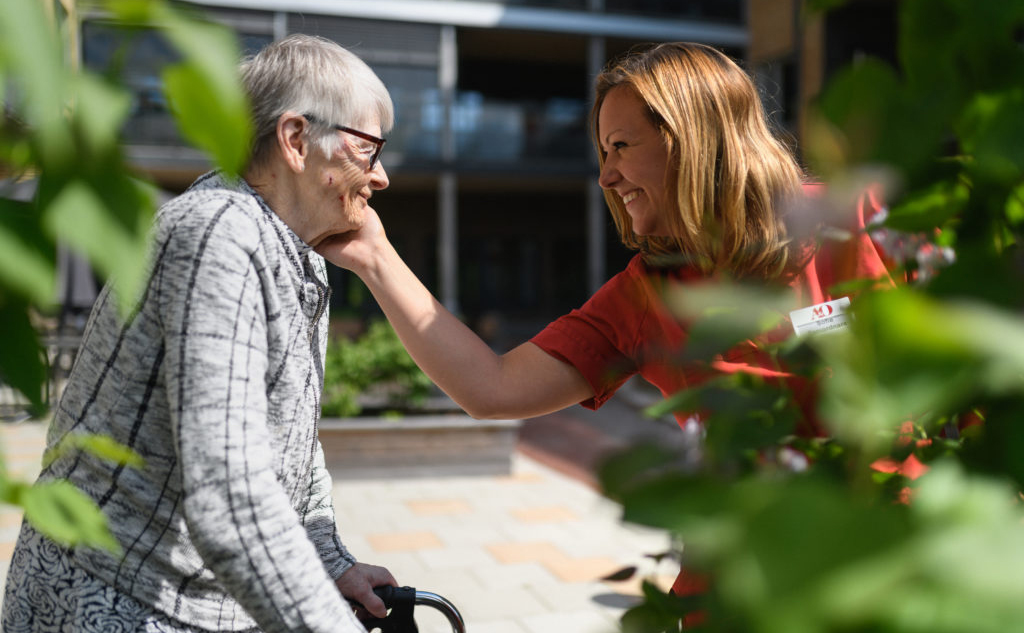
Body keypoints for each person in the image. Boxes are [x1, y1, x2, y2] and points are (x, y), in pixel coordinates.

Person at [318, 42, 897, 597]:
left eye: (621, 146)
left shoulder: (860, 217)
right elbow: (491, 389)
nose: (606, 176)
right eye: (602, 153)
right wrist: (374, 255)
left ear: (692, 139)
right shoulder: (647, 294)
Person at [3, 34, 397, 632]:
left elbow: (290, 441)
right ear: (295, 141)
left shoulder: (298, 255)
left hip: (187, 601)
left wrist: (331, 558)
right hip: (113, 602)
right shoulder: (218, 234)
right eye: (369, 148)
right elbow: (232, 501)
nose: (383, 176)